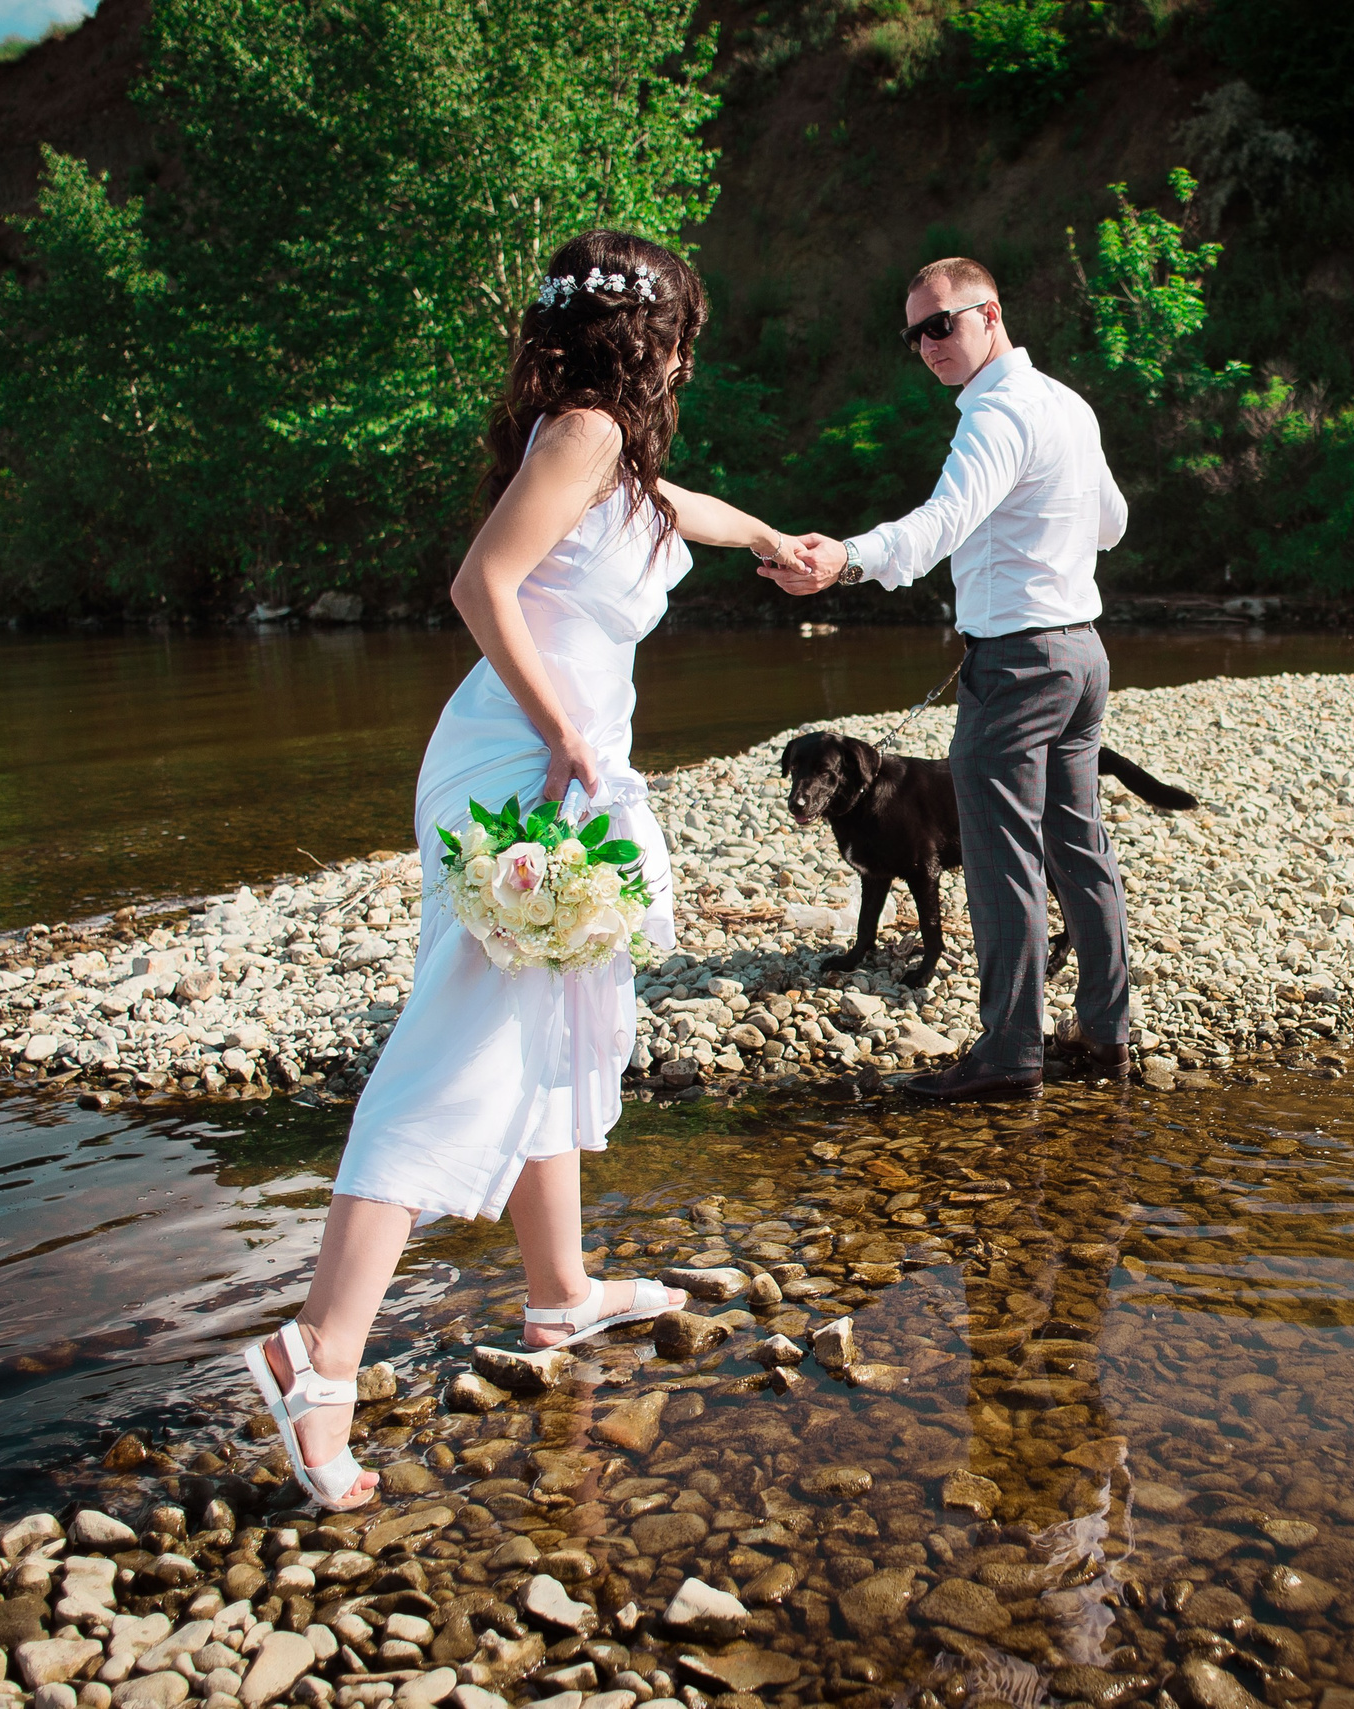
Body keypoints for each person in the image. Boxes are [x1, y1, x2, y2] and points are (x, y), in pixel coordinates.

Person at [242, 230, 805, 1510]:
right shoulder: (590, 430)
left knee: (545, 1022)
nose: (691, 355)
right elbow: (479, 583)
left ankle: (559, 1295)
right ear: (650, 335)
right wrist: (563, 732)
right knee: (461, 1046)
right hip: (521, 771)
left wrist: (774, 534)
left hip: (549, 764)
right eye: (686, 333)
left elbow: (681, 515)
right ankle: (316, 1355)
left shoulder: (605, 449)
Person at [764, 256, 1134, 1104]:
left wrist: (845, 560)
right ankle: (1104, 1035)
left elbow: (938, 526)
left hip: (1018, 663)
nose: (927, 344)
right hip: (1082, 654)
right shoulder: (1068, 405)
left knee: (1004, 859)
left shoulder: (997, 415)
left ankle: (1010, 1052)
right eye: (914, 334)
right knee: (1078, 846)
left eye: (942, 323)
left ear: (990, 314)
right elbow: (1112, 522)